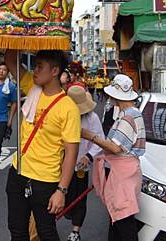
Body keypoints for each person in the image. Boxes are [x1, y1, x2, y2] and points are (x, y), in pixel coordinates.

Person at [4, 50, 81, 241]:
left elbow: (71, 153)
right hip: (18, 172)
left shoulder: (68, 107)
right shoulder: (32, 86)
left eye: (40, 66)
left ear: (55, 71)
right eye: (34, 66)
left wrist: (61, 191)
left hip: (45, 181)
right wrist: (16, 35)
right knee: (17, 230)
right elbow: (10, 60)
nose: (35, 70)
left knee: (46, 232)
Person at [81, 74, 145, 241]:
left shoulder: (128, 116)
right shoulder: (131, 114)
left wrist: (91, 136)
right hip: (124, 172)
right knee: (117, 218)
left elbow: (115, 147)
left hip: (122, 174)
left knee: (123, 219)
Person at [63, 87, 103, 241]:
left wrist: (89, 156)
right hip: (61, 163)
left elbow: (100, 140)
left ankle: (75, 231)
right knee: (59, 194)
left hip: (80, 165)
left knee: (79, 198)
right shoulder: (62, 115)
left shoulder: (92, 118)